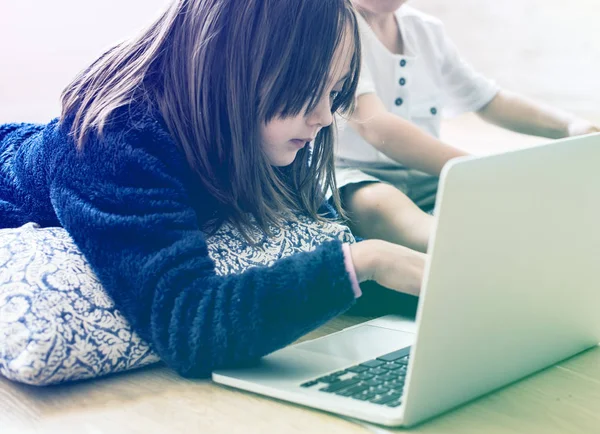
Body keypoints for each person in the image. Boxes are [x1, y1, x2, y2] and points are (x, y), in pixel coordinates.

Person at [0, 0, 428, 377]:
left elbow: (328, 254)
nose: (323, 115)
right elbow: (189, 329)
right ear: (230, 66)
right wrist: (368, 258)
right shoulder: (112, 140)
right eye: (305, 89)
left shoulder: (257, 128)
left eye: (333, 92)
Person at [335, 0, 600, 253]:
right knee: (378, 204)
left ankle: (530, 243)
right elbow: (376, 127)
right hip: (354, 174)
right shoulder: (335, 27)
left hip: (425, 175)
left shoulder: (425, 29)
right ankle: (463, 250)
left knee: (505, 201)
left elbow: (486, 98)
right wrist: (478, 169)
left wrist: (571, 125)